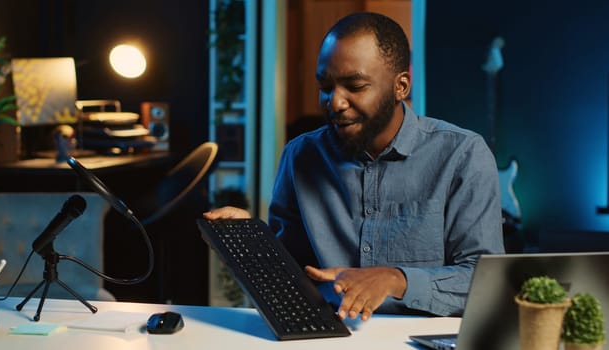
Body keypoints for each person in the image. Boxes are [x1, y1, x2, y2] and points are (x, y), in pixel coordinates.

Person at [204, 12, 504, 321]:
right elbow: (291, 273)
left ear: (401, 86)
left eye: (355, 86)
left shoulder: (463, 155)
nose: (335, 102)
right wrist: (252, 241)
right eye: (325, 86)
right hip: (328, 336)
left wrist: (395, 279)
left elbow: (485, 282)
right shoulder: (300, 156)